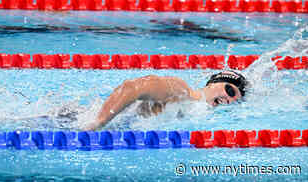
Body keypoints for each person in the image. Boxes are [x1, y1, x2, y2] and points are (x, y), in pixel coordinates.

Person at [84, 70, 248, 130]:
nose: (229, 99)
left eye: (235, 100)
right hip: (75, 121)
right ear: (213, 83)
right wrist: (99, 122)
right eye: (230, 90)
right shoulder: (182, 91)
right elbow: (132, 87)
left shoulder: (197, 113)